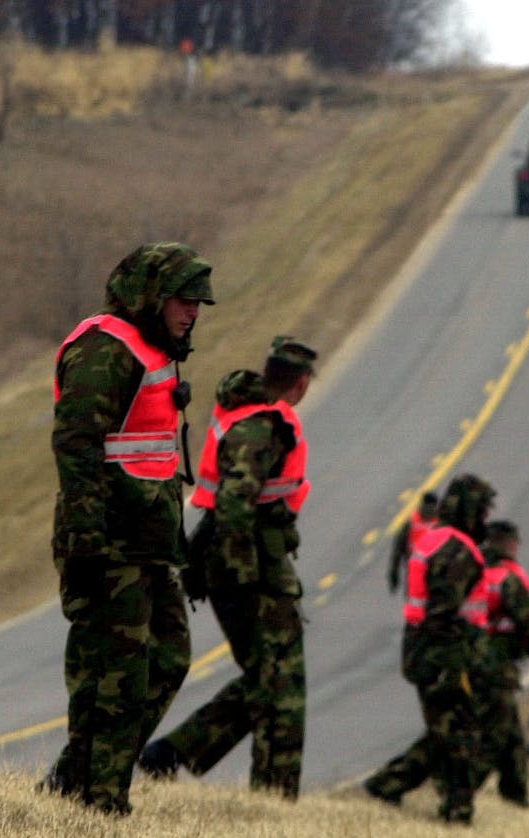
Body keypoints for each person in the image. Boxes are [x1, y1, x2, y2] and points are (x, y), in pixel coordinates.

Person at [44, 242, 216, 816]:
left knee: (166, 658)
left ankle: (76, 775)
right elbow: (77, 445)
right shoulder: (105, 348)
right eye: (183, 301)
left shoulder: (155, 348)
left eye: (198, 303)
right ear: (152, 298)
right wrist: (89, 538)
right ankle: (102, 799)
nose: (193, 312)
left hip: (148, 542)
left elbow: (152, 454)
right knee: (116, 670)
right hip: (107, 543)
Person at [141, 336, 319, 800]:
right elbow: (236, 503)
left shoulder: (248, 417)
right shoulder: (260, 427)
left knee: (268, 682)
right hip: (251, 572)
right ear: (300, 383)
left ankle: (174, 753)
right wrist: (245, 580)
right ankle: (273, 796)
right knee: (283, 688)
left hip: (248, 566)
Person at [364, 474, 496, 825]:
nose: (485, 520)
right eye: (481, 512)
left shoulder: (432, 539)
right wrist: (456, 666)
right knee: (459, 735)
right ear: (469, 512)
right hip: (443, 655)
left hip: (425, 650)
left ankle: (392, 785)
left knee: (446, 732)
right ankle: (456, 811)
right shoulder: (458, 551)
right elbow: (443, 613)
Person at [470, 520, 529, 808]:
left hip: (476, 656)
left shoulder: (475, 571)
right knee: (495, 733)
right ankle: (460, 793)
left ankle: (515, 790)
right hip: (497, 663)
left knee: (510, 730)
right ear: (508, 544)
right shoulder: (507, 577)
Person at [388, 491, 439, 594]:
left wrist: (393, 575)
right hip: (437, 576)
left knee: (414, 606)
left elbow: (397, 551)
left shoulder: (411, 523)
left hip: (415, 575)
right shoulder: (442, 522)